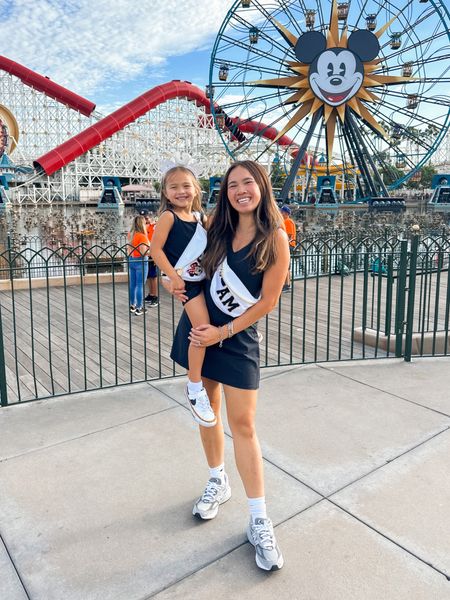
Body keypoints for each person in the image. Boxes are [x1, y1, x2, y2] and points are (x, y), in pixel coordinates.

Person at [169, 160, 290, 571]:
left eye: (248, 182)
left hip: (236, 338)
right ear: (225, 192)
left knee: (244, 426)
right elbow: (187, 270)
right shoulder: (214, 230)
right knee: (208, 416)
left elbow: (267, 301)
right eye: (233, 184)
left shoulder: (275, 238)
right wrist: (174, 282)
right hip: (201, 330)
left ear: (262, 188)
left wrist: (224, 332)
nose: (241, 190)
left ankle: (258, 518)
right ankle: (217, 480)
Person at [150, 166, 216, 427]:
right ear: (165, 192)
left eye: (186, 186)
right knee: (201, 331)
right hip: (187, 284)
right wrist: (172, 277)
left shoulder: (201, 218)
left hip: (204, 280)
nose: (181, 191)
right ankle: (195, 386)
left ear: (196, 189)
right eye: (174, 187)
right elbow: (155, 250)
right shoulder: (168, 217)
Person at [128, 215, 150, 316]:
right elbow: (143, 253)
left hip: (131, 260)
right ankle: (139, 307)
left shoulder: (130, 234)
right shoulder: (142, 236)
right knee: (140, 285)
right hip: (141, 261)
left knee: (133, 284)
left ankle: (132, 305)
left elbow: (129, 250)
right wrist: (153, 252)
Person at [142, 212, 159, 307]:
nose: (146, 220)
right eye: (144, 218)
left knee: (153, 276)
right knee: (148, 276)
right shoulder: (144, 228)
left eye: (147, 218)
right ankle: (151, 294)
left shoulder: (154, 227)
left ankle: (155, 296)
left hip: (153, 253)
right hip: (146, 254)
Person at [280, 205, 296, 293]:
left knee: (286, 266)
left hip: (288, 245)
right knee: (286, 265)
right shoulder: (285, 221)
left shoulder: (288, 221)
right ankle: (286, 284)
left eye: (281, 212)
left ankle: (287, 285)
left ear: (286, 213)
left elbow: (289, 236)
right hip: (288, 245)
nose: (280, 213)